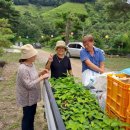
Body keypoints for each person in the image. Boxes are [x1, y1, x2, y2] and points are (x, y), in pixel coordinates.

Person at [16, 44, 49, 130]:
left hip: (32, 97)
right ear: (28, 57)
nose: (35, 55)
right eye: (33, 54)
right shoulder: (22, 68)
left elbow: (33, 77)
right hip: (27, 98)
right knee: (27, 118)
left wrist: (40, 73)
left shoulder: (31, 64)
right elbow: (29, 85)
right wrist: (42, 78)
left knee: (31, 116)